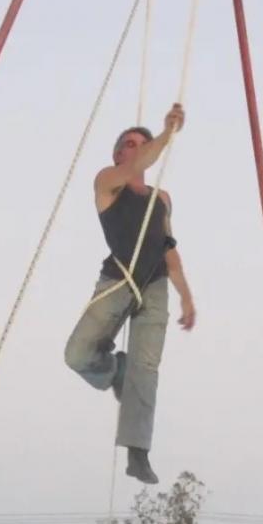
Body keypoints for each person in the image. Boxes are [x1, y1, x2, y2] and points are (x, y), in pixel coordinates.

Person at [64, 105, 195, 486]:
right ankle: (114, 371)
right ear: (119, 154)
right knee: (76, 354)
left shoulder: (161, 198)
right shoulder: (108, 181)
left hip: (154, 284)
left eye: (143, 144)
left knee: (147, 369)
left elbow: (168, 247)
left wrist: (185, 294)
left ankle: (138, 452)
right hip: (118, 278)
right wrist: (166, 135)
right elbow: (141, 159)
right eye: (130, 145)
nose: (138, 150)